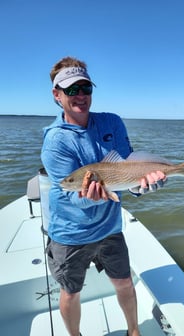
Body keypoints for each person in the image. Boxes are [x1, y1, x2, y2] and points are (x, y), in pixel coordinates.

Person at [41, 56, 166, 336]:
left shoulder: (112, 122)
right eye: (72, 90)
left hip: (110, 228)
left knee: (123, 282)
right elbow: (70, 194)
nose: (81, 96)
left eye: (86, 88)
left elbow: (127, 169)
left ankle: (134, 331)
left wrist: (139, 186)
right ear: (56, 94)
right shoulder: (55, 141)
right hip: (70, 233)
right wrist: (94, 195)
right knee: (70, 291)